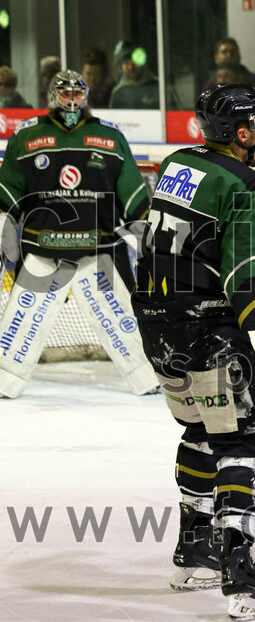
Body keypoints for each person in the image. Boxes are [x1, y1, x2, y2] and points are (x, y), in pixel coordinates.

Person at [132, 84, 255, 620]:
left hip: (157, 324)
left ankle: (195, 552)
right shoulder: (246, 184)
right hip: (206, 327)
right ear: (241, 132)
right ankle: (239, 572)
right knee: (238, 439)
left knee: (199, 431)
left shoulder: (178, 163)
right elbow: (246, 278)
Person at [0, 70, 158, 398]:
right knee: (21, 325)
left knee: (124, 320)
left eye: (77, 94)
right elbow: (8, 195)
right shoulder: (26, 136)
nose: (71, 100)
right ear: (51, 96)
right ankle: (5, 380)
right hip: (42, 247)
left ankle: (149, 377)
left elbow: (133, 198)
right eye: (65, 94)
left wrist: (149, 233)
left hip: (99, 249)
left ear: (85, 97)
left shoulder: (110, 137)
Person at [110, 40, 160, 109]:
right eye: (127, 63)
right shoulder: (118, 93)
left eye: (134, 62)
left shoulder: (158, 85)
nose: (131, 67)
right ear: (120, 67)